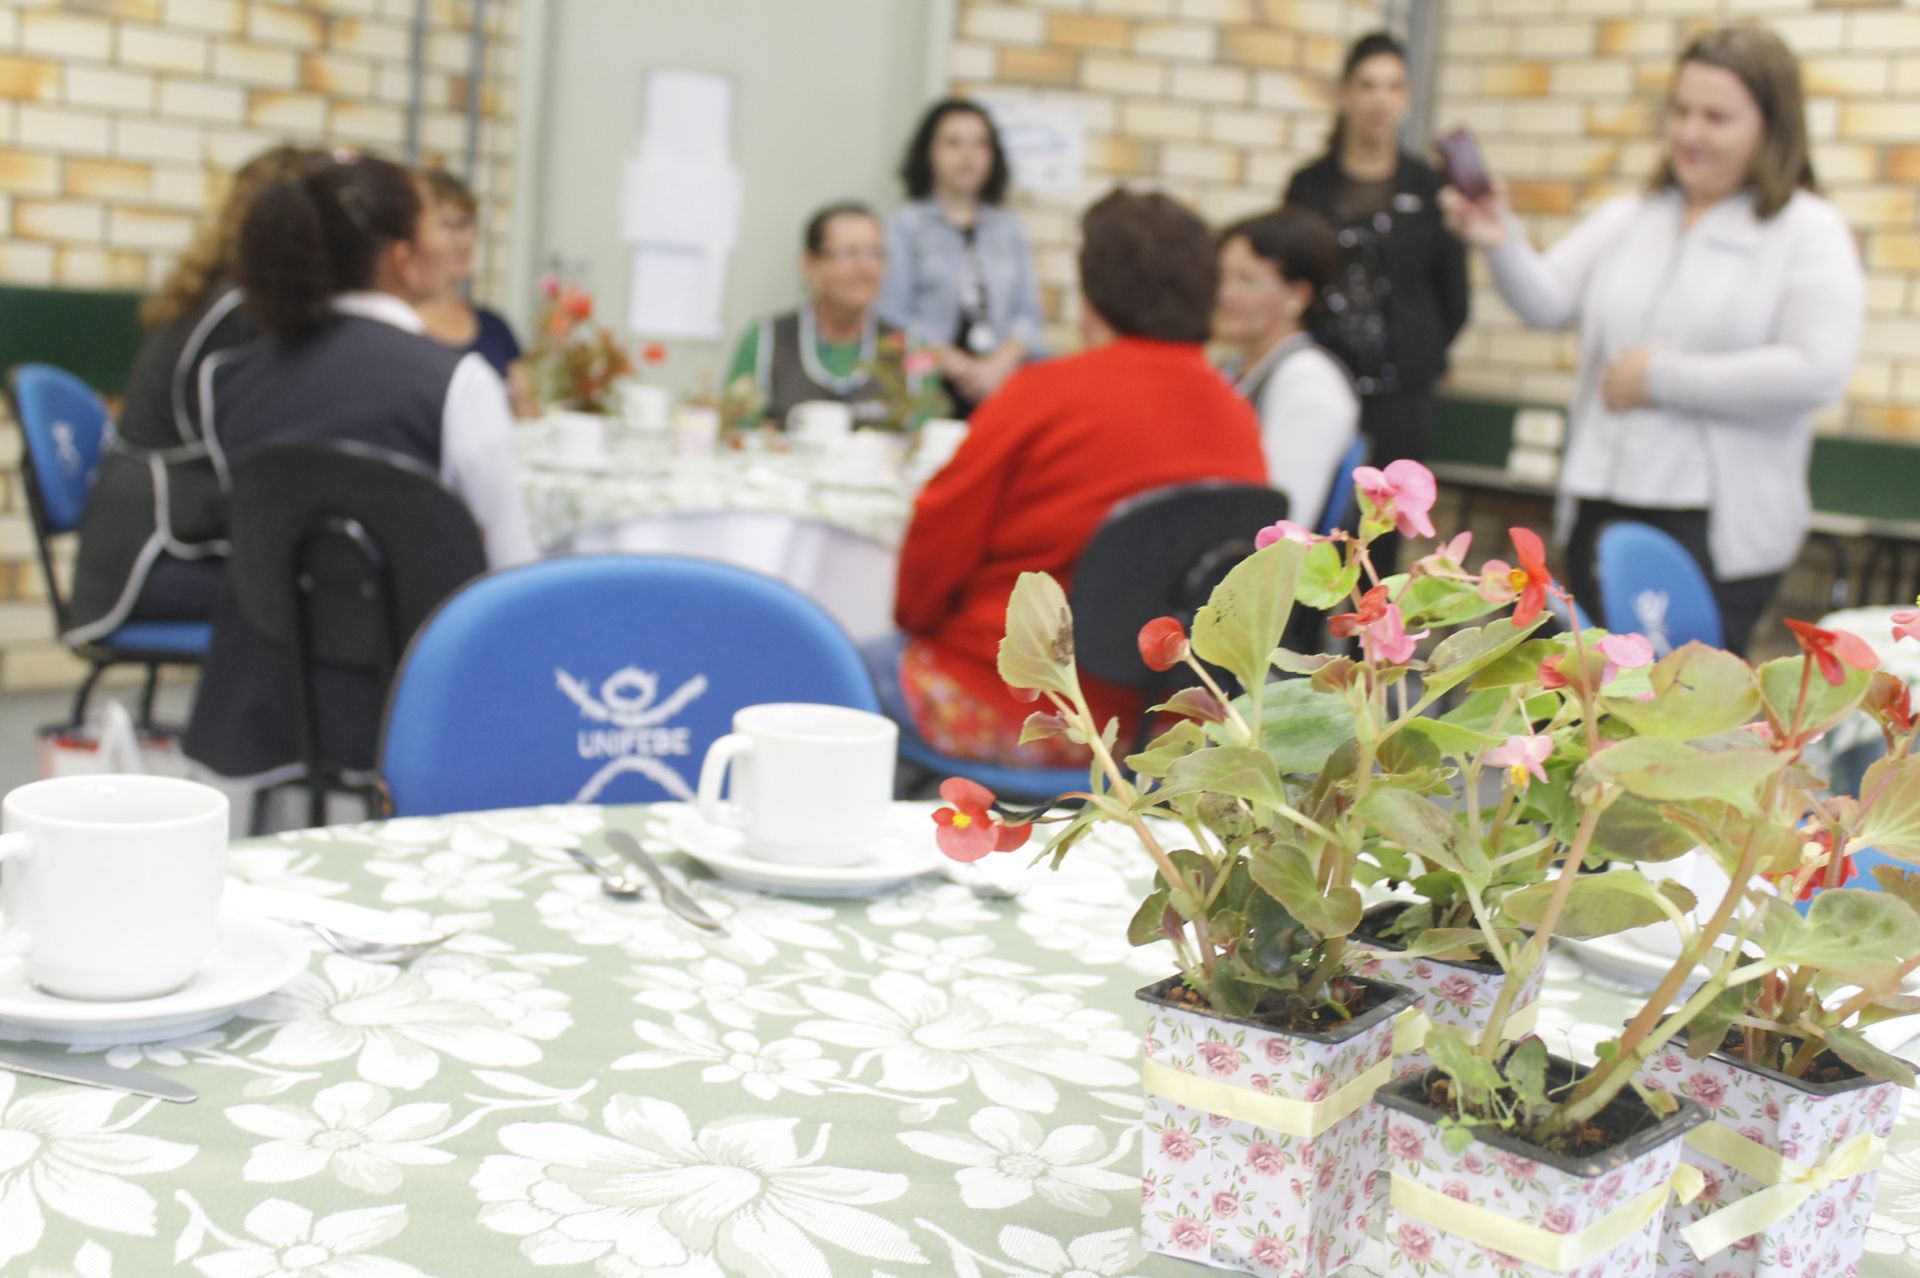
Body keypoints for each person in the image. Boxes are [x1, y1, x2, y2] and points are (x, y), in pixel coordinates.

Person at [1440, 27, 1864, 655]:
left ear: (1771, 127)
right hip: (1601, 501)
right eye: (1681, 111)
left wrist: (1661, 378)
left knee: (1677, 720)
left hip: (1714, 523)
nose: (1691, 133)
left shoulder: (1807, 231)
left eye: (1717, 117)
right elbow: (1548, 301)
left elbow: (1816, 369)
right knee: (1593, 705)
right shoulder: (1632, 217)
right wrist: (1497, 238)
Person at [184, 150, 536, 784]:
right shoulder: (457, 382)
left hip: (265, 689)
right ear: (402, 259)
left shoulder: (226, 377)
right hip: (416, 700)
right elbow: (512, 573)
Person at [887, 190, 1268, 766]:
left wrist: (918, 628)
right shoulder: (1238, 418)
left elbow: (933, 555)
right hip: (1158, 734)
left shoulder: (1043, 393)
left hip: (1010, 708)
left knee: (829, 661)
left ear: (1092, 293)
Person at [64, 145, 317, 646]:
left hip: (138, 548)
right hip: (155, 559)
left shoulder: (218, 294)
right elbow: (249, 461)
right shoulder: (243, 315)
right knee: (327, 597)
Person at [1285, 31, 1469, 566]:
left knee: (1380, 547)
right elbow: (1290, 275)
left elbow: (1453, 296)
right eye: (1367, 85)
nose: (1379, 99)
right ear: (1344, 94)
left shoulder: (1430, 186)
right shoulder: (1308, 186)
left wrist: (1424, 353)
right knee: (1307, 530)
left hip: (1400, 396)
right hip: (1323, 380)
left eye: (1393, 86)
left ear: (1408, 97)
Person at [878, 99, 1044, 417]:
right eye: (953, 143)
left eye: (979, 144)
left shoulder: (1009, 228)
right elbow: (891, 316)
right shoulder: (905, 226)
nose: (967, 155)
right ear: (929, 152)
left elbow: (1029, 316)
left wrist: (998, 365)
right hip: (928, 383)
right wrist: (955, 364)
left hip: (1001, 384)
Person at [1216, 206, 1360, 532]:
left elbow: (1284, 524)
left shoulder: (1309, 382)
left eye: (1246, 280)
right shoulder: (1235, 368)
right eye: (1221, 277)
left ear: (1298, 294)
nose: (1225, 294)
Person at [725, 202, 914, 429]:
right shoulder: (766, 340)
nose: (866, 266)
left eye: (876, 253)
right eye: (850, 253)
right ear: (810, 265)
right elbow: (734, 433)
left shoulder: (908, 348)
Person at [414, 168, 525, 387]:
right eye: (447, 225)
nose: (462, 239)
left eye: (466, 224)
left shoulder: (494, 328)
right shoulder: (395, 326)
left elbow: (527, 409)